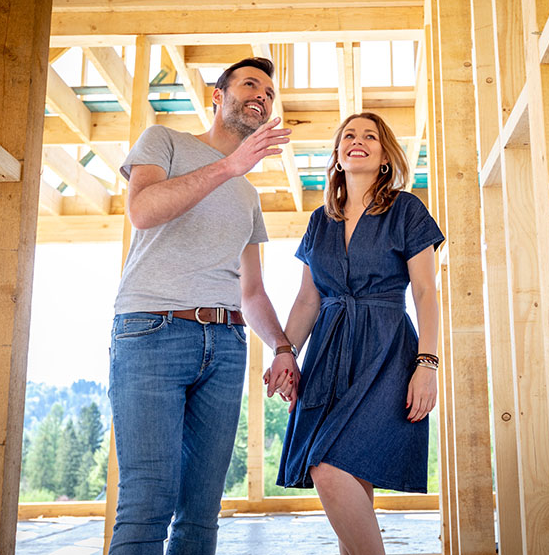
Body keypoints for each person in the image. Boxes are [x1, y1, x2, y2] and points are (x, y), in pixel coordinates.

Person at [109, 57, 300, 555]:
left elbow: (252, 290)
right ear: (219, 95)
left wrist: (282, 347)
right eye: (250, 84)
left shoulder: (248, 195)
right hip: (152, 331)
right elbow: (142, 211)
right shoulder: (164, 142)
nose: (262, 95)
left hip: (227, 345)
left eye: (270, 93)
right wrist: (230, 166)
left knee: (200, 513)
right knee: (146, 503)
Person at [270, 112, 444, 555]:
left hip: (386, 352)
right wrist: (285, 352)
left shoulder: (406, 209)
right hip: (327, 354)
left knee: (327, 467)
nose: (358, 141)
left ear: (385, 156)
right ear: (337, 155)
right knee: (349, 474)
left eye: (370, 136)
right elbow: (308, 300)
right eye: (349, 135)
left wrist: (427, 364)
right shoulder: (319, 221)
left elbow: (425, 291)